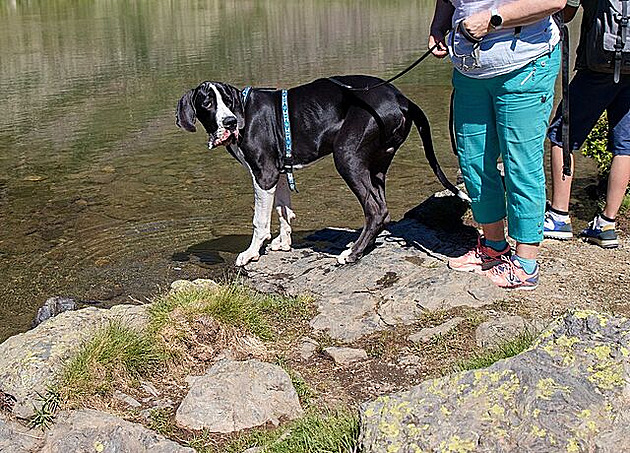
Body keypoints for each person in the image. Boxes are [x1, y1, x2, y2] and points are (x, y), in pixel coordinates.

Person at [429, 0, 565, 289]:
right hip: (470, 70)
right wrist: (438, 26)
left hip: (526, 65)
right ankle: (494, 247)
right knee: (473, 162)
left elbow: (554, 1)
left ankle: (526, 264)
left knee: (521, 164)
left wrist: (492, 19)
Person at [544, 0, 630, 249]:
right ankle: (607, 224)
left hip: (597, 67)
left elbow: (565, 14)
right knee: (625, 145)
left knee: (563, 133)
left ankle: (559, 215)